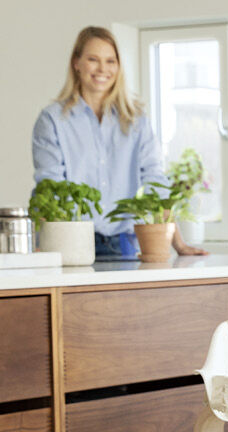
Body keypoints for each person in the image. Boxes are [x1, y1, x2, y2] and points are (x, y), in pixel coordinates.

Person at [32, 26, 206, 260]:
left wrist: (178, 243)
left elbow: (155, 181)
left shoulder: (136, 121)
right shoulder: (53, 120)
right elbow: (50, 187)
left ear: (118, 66)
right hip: (72, 244)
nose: (102, 69)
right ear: (76, 62)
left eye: (110, 61)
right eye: (93, 59)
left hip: (126, 244)